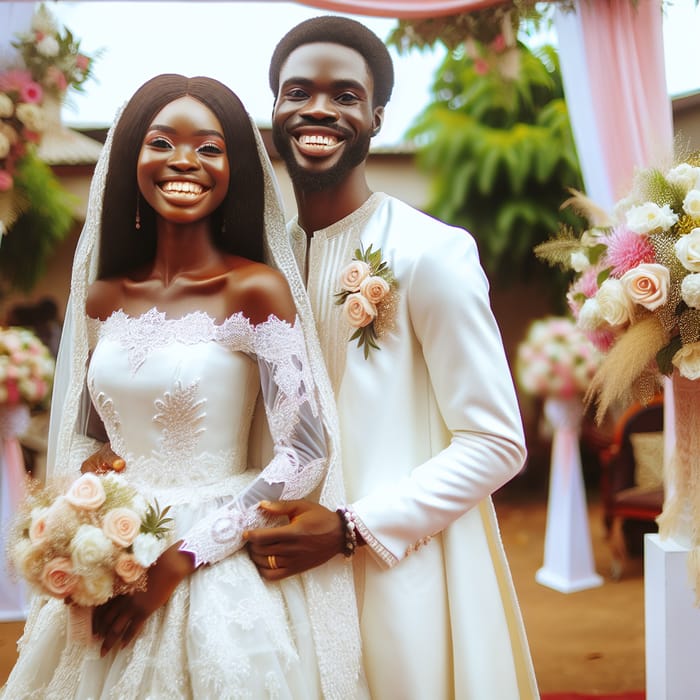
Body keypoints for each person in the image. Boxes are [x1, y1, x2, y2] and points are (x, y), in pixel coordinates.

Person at [1, 74, 367, 699]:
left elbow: (304, 452)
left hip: (214, 562)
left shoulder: (255, 290)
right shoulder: (103, 298)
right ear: (132, 161)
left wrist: (181, 558)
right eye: (162, 141)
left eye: (209, 147)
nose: (184, 161)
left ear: (233, 170)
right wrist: (92, 512)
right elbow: (92, 438)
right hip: (114, 553)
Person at [244, 16, 539, 699]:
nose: (319, 107)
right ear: (276, 113)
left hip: (396, 575)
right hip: (273, 579)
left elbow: (496, 441)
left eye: (345, 95)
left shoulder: (431, 252)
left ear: (376, 118)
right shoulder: (259, 264)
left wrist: (352, 528)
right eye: (298, 92)